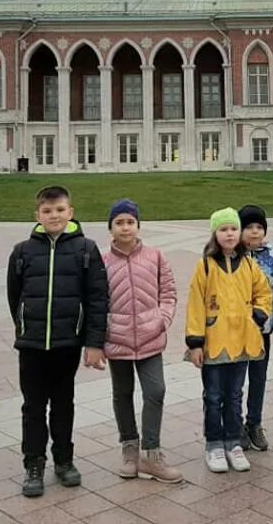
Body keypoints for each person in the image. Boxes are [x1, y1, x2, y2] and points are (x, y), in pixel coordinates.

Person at [7, 185, 108, 498]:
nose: (54, 216)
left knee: (64, 405)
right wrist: (24, 326)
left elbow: (97, 298)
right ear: (37, 214)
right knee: (33, 407)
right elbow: (15, 295)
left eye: (60, 210)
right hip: (32, 345)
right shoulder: (23, 251)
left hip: (67, 344)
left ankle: (64, 460)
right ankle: (33, 463)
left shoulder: (86, 249)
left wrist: (93, 343)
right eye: (47, 211)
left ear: (71, 212)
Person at [185, 207, 273, 473]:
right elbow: (196, 304)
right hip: (214, 340)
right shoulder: (206, 266)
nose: (230, 233)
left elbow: (264, 292)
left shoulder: (248, 264)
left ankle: (233, 442)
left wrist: (258, 315)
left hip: (241, 341)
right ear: (215, 233)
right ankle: (214, 443)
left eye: (233, 229)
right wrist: (195, 342)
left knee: (235, 394)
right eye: (224, 229)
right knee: (213, 395)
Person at [103, 199, 182, 484]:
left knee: (155, 390)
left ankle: (151, 453)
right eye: (119, 222)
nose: (125, 227)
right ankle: (129, 450)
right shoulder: (103, 262)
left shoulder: (155, 256)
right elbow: (97, 302)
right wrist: (103, 333)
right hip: (118, 339)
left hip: (150, 337)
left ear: (138, 225)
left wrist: (162, 319)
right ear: (110, 227)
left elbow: (169, 291)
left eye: (130, 222)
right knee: (122, 394)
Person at [238, 204, 273, 452]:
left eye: (259, 227)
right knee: (234, 382)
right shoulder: (231, 256)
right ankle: (234, 427)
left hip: (261, 331)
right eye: (248, 227)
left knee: (258, 379)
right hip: (233, 332)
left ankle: (254, 422)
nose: (254, 232)